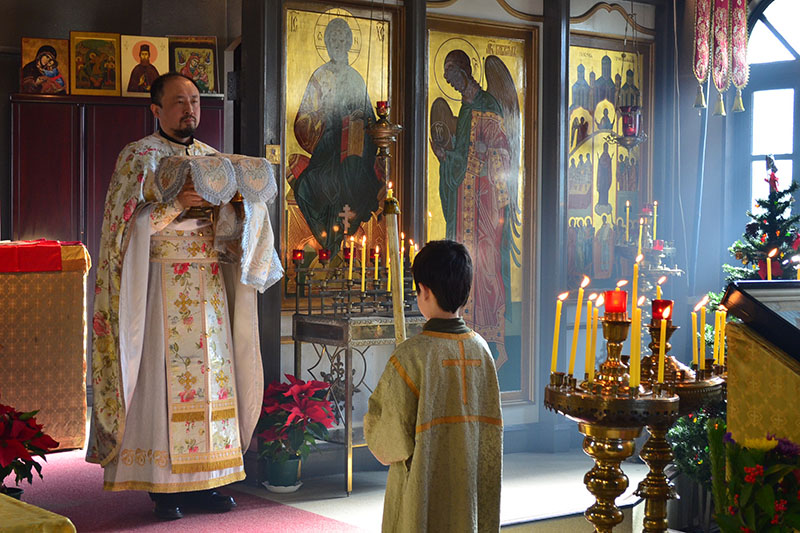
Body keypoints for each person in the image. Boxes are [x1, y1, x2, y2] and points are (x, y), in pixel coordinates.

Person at [87, 73, 268, 520]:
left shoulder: (214, 159)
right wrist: (176, 204)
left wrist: (237, 206)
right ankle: (164, 487)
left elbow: (232, 235)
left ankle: (212, 480)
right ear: (156, 109)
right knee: (165, 381)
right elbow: (123, 229)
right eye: (179, 101)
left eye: (194, 101)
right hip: (160, 286)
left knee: (213, 380)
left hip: (208, 285)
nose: (190, 109)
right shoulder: (138, 158)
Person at [364, 240, 503, 533]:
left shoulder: (412, 355)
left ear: (424, 291)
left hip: (422, 490)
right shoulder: (482, 350)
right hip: (469, 488)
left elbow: (389, 441)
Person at [430, 48, 515, 365]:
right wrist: (446, 157)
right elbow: (462, 156)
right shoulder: (464, 110)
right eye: (448, 81)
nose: (452, 84)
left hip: (485, 199)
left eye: (454, 77)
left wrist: (483, 155)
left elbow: (502, 153)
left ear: (466, 71)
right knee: (463, 261)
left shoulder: (488, 104)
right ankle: (464, 331)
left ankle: (493, 341)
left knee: (486, 261)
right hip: (464, 197)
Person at [288, 17, 381, 254]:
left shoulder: (356, 78)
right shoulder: (320, 76)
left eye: (342, 39)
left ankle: (345, 235)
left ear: (349, 43)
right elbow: (303, 122)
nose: (338, 43)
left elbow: (371, 121)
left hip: (355, 148)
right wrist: (320, 112)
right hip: (327, 146)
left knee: (358, 181)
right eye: (333, 39)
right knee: (310, 184)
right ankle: (329, 239)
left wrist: (361, 120)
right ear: (327, 44)